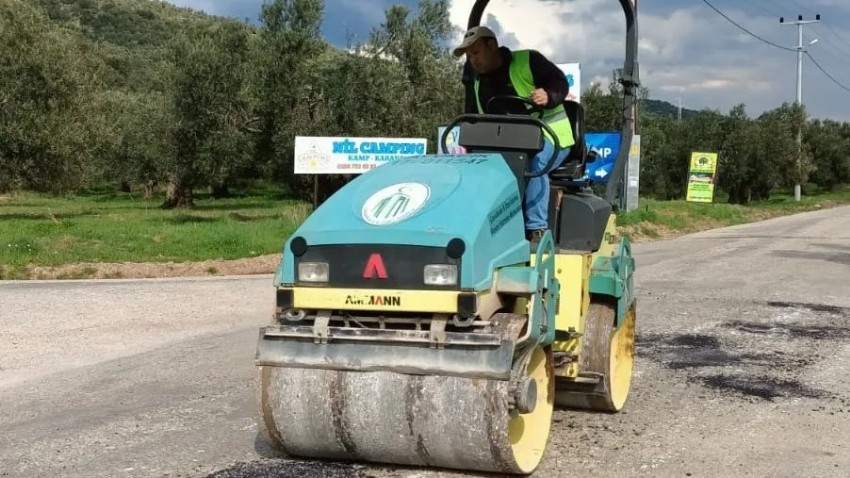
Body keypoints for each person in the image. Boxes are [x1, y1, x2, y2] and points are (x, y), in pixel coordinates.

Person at [452, 26, 575, 242]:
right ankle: (479, 226)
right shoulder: (477, 79)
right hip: (506, 142)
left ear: (492, 45)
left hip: (551, 137)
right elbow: (471, 115)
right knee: (478, 166)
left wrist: (549, 94)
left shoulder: (528, 61)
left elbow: (559, 82)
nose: (474, 60)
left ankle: (535, 229)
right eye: (470, 56)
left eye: (476, 52)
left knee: (534, 163)